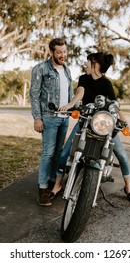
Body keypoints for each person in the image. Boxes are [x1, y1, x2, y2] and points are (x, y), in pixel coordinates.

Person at [50, 52, 130, 202]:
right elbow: (80, 93)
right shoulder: (84, 78)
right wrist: (70, 105)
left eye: (87, 62)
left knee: (122, 155)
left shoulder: (106, 84)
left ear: (94, 64)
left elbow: (117, 108)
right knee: (64, 154)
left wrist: (127, 126)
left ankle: (128, 186)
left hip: (104, 124)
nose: (85, 65)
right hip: (86, 121)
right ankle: (57, 185)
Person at [30, 37, 74, 206]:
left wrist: (72, 108)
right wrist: (37, 118)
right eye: (59, 52)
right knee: (47, 153)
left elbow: (70, 93)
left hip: (64, 119)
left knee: (58, 152)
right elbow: (34, 94)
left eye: (64, 51)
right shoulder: (41, 69)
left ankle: (50, 182)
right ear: (51, 52)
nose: (63, 55)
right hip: (48, 117)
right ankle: (42, 190)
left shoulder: (67, 70)